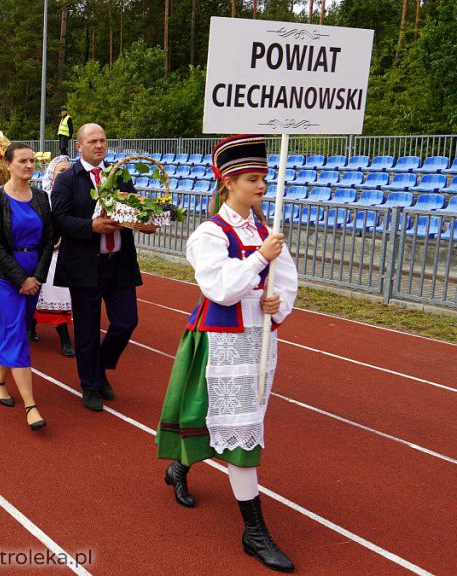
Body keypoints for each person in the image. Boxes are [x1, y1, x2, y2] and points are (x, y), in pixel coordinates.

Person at [155, 134, 298, 573]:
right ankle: (254, 533)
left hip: (259, 337)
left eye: (263, 178)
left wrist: (278, 303)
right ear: (228, 182)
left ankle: (180, 467)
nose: (262, 187)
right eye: (254, 179)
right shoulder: (208, 234)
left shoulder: (263, 231)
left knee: (225, 418)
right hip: (220, 340)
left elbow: (287, 279)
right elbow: (219, 288)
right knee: (239, 426)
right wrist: (259, 259)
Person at [50, 123, 141, 412]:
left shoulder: (119, 176)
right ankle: (90, 385)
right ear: (79, 146)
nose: (99, 145)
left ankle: (99, 368)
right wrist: (91, 226)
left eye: (102, 140)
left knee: (127, 321)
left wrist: (143, 221)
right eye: (92, 141)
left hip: (120, 263)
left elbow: (134, 210)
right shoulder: (68, 179)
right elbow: (59, 219)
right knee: (87, 330)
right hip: (85, 266)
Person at [0, 143, 55, 430]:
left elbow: (49, 240)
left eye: (32, 160)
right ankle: (31, 406)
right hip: (5, 276)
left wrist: (36, 276)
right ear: (8, 164)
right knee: (16, 335)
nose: (29, 165)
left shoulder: (41, 197)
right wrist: (20, 278)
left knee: (18, 330)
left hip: (33, 275)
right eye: (22, 160)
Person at [34, 154, 75, 357]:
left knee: (59, 295)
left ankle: (61, 338)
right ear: (52, 175)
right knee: (46, 293)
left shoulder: (74, 196)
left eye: (68, 171)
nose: (66, 175)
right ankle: (64, 340)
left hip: (68, 254)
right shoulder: (43, 198)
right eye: (61, 171)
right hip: (47, 254)